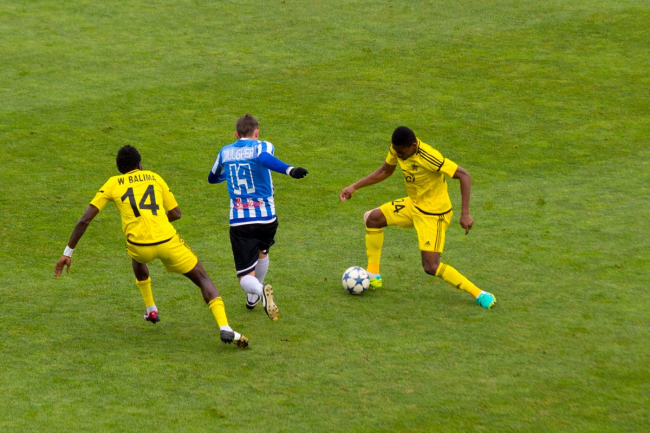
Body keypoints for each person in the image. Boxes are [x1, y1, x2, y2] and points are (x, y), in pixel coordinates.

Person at [54, 145, 249, 348]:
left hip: (140, 246)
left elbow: (84, 220)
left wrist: (68, 252)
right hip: (168, 242)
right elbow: (176, 213)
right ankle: (224, 326)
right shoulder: (154, 178)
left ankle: (151, 308)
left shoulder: (113, 183)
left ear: (120, 169)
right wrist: (158, 221)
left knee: (135, 256)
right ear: (140, 164)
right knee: (202, 278)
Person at [339, 126, 496, 309]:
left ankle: (480, 294)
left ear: (413, 146)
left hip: (434, 215)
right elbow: (385, 171)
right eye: (395, 151)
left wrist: (465, 213)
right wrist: (354, 187)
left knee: (431, 266)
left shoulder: (429, 156)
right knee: (372, 219)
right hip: (414, 205)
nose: (398, 155)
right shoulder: (398, 149)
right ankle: (373, 276)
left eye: (401, 152)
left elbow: (464, 175)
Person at [208, 113, 308, 320]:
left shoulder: (225, 152)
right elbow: (264, 159)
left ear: (236, 134)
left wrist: (229, 174)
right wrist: (290, 170)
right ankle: (253, 298)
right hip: (267, 218)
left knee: (244, 276)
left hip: (241, 221)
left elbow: (212, 177)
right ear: (256, 132)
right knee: (263, 252)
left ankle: (259, 290)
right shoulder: (262, 145)